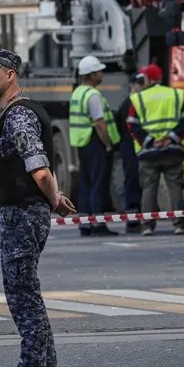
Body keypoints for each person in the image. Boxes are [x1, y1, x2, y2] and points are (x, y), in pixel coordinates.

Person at [0, 48, 76, 367]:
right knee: (27, 287)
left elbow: (41, 170)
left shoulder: (18, 115)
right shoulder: (15, 112)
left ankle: (33, 365)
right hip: (24, 210)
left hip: (22, 212)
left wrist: (55, 200)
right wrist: (53, 198)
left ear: (10, 74)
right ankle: (45, 362)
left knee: (20, 291)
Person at [127, 64, 184, 235]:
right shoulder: (176, 95)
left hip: (149, 152)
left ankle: (147, 225)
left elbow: (132, 124)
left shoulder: (139, 98)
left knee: (149, 188)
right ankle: (179, 224)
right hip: (173, 149)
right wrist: (171, 138)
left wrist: (150, 141)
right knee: (175, 186)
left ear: (148, 79)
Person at [69, 55, 120, 236]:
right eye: (99, 71)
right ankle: (98, 224)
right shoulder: (93, 96)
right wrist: (107, 144)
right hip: (95, 141)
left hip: (82, 142)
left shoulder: (77, 93)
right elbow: (99, 123)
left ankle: (85, 224)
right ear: (91, 75)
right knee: (98, 182)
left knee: (86, 182)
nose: (101, 73)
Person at [115, 72, 145, 233]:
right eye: (139, 83)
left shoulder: (135, 102)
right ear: (133, 85)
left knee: (141, 183)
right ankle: (133, 222)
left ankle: (139, 219)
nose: (141, 86)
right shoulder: (129, 104)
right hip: (131, 148)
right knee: (133, 182)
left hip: (135, 147)